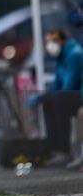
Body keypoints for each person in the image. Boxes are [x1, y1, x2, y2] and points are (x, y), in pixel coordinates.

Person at [28, 30, 83, 165]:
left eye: (53, 41)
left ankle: (65, 151)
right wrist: (42, 97)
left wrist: (44, 97)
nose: (50, 45)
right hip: (69, 96)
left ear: (63, 41)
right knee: (48, 102)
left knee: (59, 99)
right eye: (47, 41)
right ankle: (56, 150)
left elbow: (68, 86)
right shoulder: (61, 57)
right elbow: (56, 85)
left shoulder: (75, 55)